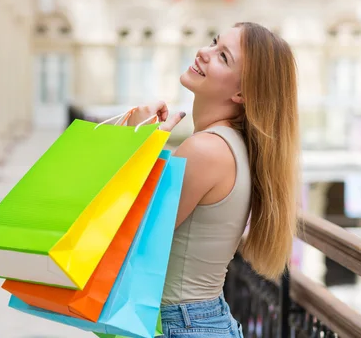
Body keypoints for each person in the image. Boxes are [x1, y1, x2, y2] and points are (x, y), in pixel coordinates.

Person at [127, 22, 301, 338]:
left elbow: (129, 234)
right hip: (198, 320)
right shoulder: (229, 145)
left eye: (223, 57)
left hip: (182, 324)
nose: (203, 53)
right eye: (213, 42)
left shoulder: (206, 150)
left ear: (242, 93)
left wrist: (133, 143)